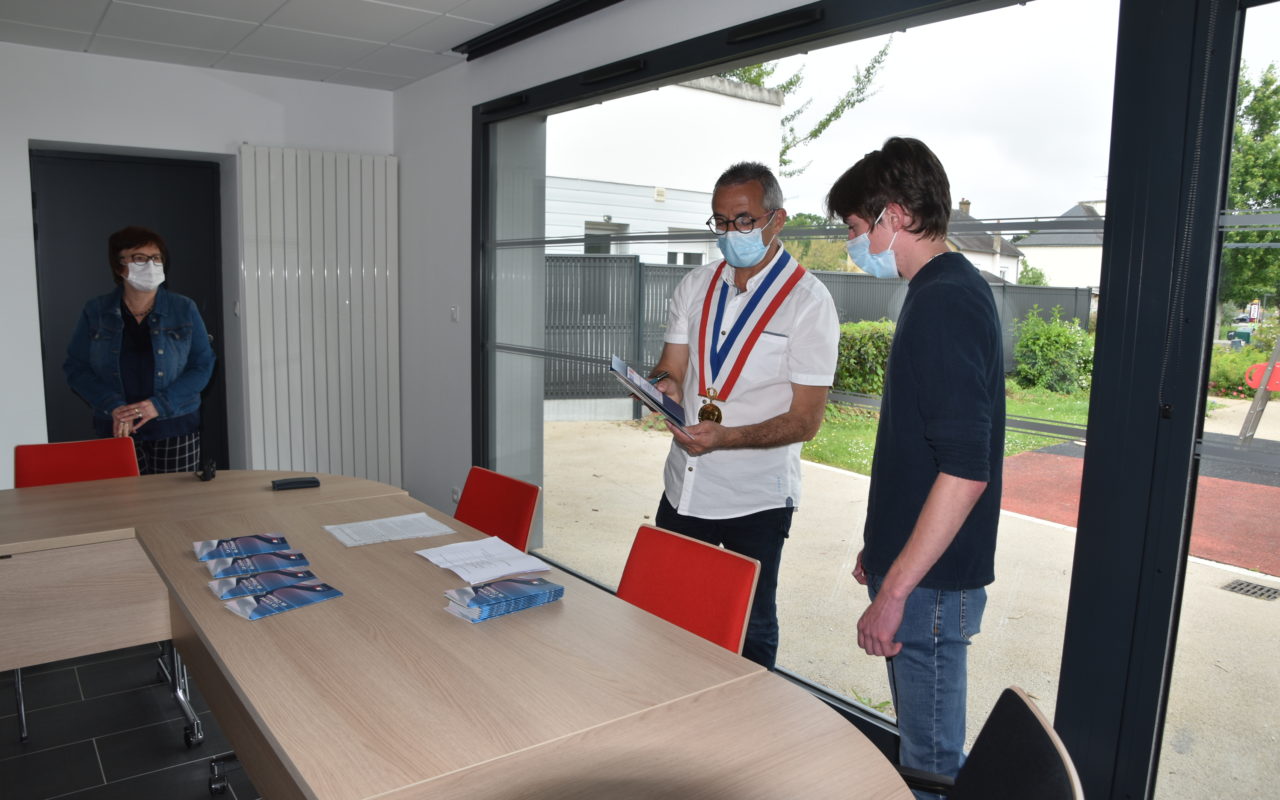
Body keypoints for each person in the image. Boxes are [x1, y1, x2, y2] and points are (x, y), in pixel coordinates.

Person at [826, 137, 1004, 795]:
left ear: (894, 216)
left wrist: (895, 591)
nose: (853, 243)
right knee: (926, 753)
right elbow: (925, 452)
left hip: (928, 591)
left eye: (855, 228)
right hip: (921, 575)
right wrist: (882, 547)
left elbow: (965, 469)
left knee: (931, 768)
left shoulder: (944, 302)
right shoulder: (944, 290)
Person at [648, 161, 839, 669]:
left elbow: (806, 420)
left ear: (777, 220)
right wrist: (663, 384)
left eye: (745, 220)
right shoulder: (696, 284)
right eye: (721, 221)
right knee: (667, 620)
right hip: (684, 487)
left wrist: (726, 438)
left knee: (750, 629)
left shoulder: (809, 302)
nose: (731, 232)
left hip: (755, 498)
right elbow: (671, 364)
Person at [64, 226, 215, 474]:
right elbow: (76, 369)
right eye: (139, 258)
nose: (151, 265)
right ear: (119, 267)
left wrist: (159, 405)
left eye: (156, 258)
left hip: (174, 425)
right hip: (117, 427)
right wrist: (113, 405)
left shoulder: (183, 308)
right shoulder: (96, 311)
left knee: (174, 498)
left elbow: (203, 365)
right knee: (123, 498)